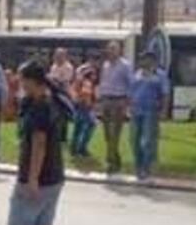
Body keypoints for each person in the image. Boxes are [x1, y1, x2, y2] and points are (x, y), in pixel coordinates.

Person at [8, 61, 66, 225]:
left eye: (23, 80)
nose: (21, 84)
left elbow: (39, 144)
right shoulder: (46, 101)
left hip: (40, 176)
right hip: (54, 174)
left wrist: (32, 178)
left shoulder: (41, 106)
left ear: (33, 81)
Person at [129, 52, 169, 181]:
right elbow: (131, 91)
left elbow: (165, 93)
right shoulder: (137, 73)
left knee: (147, 141)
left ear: (151, 60)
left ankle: (146, 168)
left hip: (150, 110)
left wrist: (164, 110)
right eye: (141, 59)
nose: (141, 61)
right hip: (136, 110)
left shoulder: (160, 75)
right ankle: (138, 166)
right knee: (134, 140)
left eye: (144, 59)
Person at [98, 41, 133, 174]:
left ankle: (111, 163)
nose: (111, 51)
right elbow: (103, 82)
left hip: (119, 101)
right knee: (107, 134)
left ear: (119, 50)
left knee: (115, 134)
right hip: (106, 100)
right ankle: (116, 159)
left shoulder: (125, 65)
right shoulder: (106, 65)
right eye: (109, 49)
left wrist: (127, 103)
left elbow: (131, 84)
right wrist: (100, 100)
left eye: (114, 49)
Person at [70, 54, 99, 158]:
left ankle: (75, 149)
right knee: (90, 124)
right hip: (84, 104)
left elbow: (74, 87)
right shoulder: (86, 73)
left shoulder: (82, 71)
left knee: (78, 127)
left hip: (79, 103)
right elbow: (85, 90)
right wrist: (88, 103)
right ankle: (81, 148)